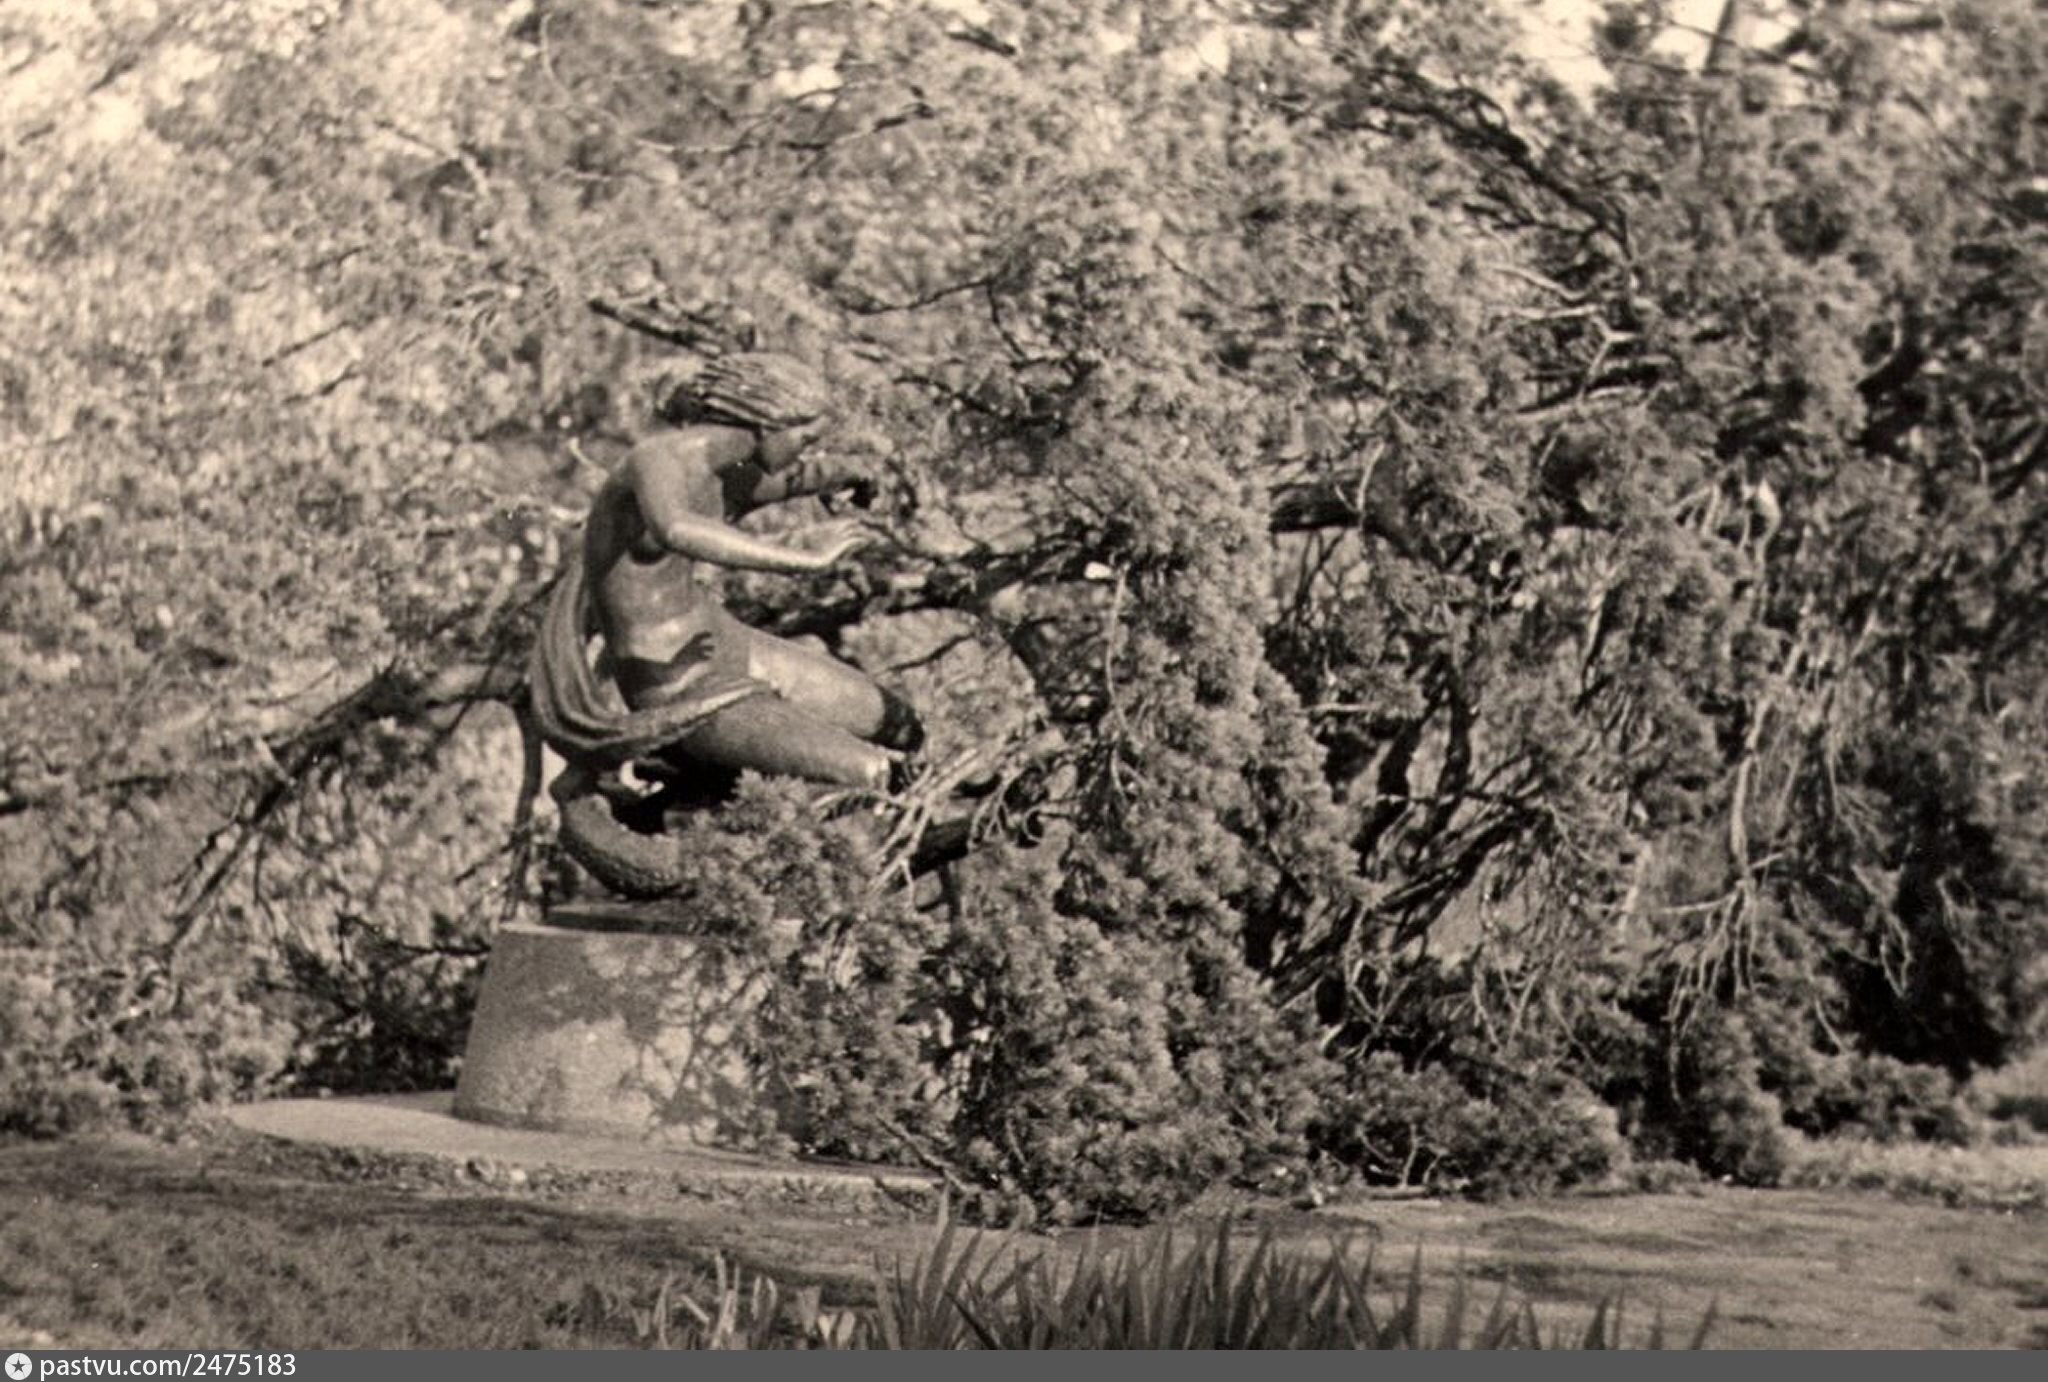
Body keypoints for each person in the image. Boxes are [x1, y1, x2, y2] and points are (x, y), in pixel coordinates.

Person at [532, 352, 922, 802]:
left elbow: (794, 479)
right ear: (768, 421)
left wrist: (854, 474)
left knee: (903, 726)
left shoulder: (726, 472)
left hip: (734, 647)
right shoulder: (656, 462)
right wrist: (804, 560)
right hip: (678, 685)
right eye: (805, 437)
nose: (805, 449)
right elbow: (677, 528)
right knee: (871, 773)